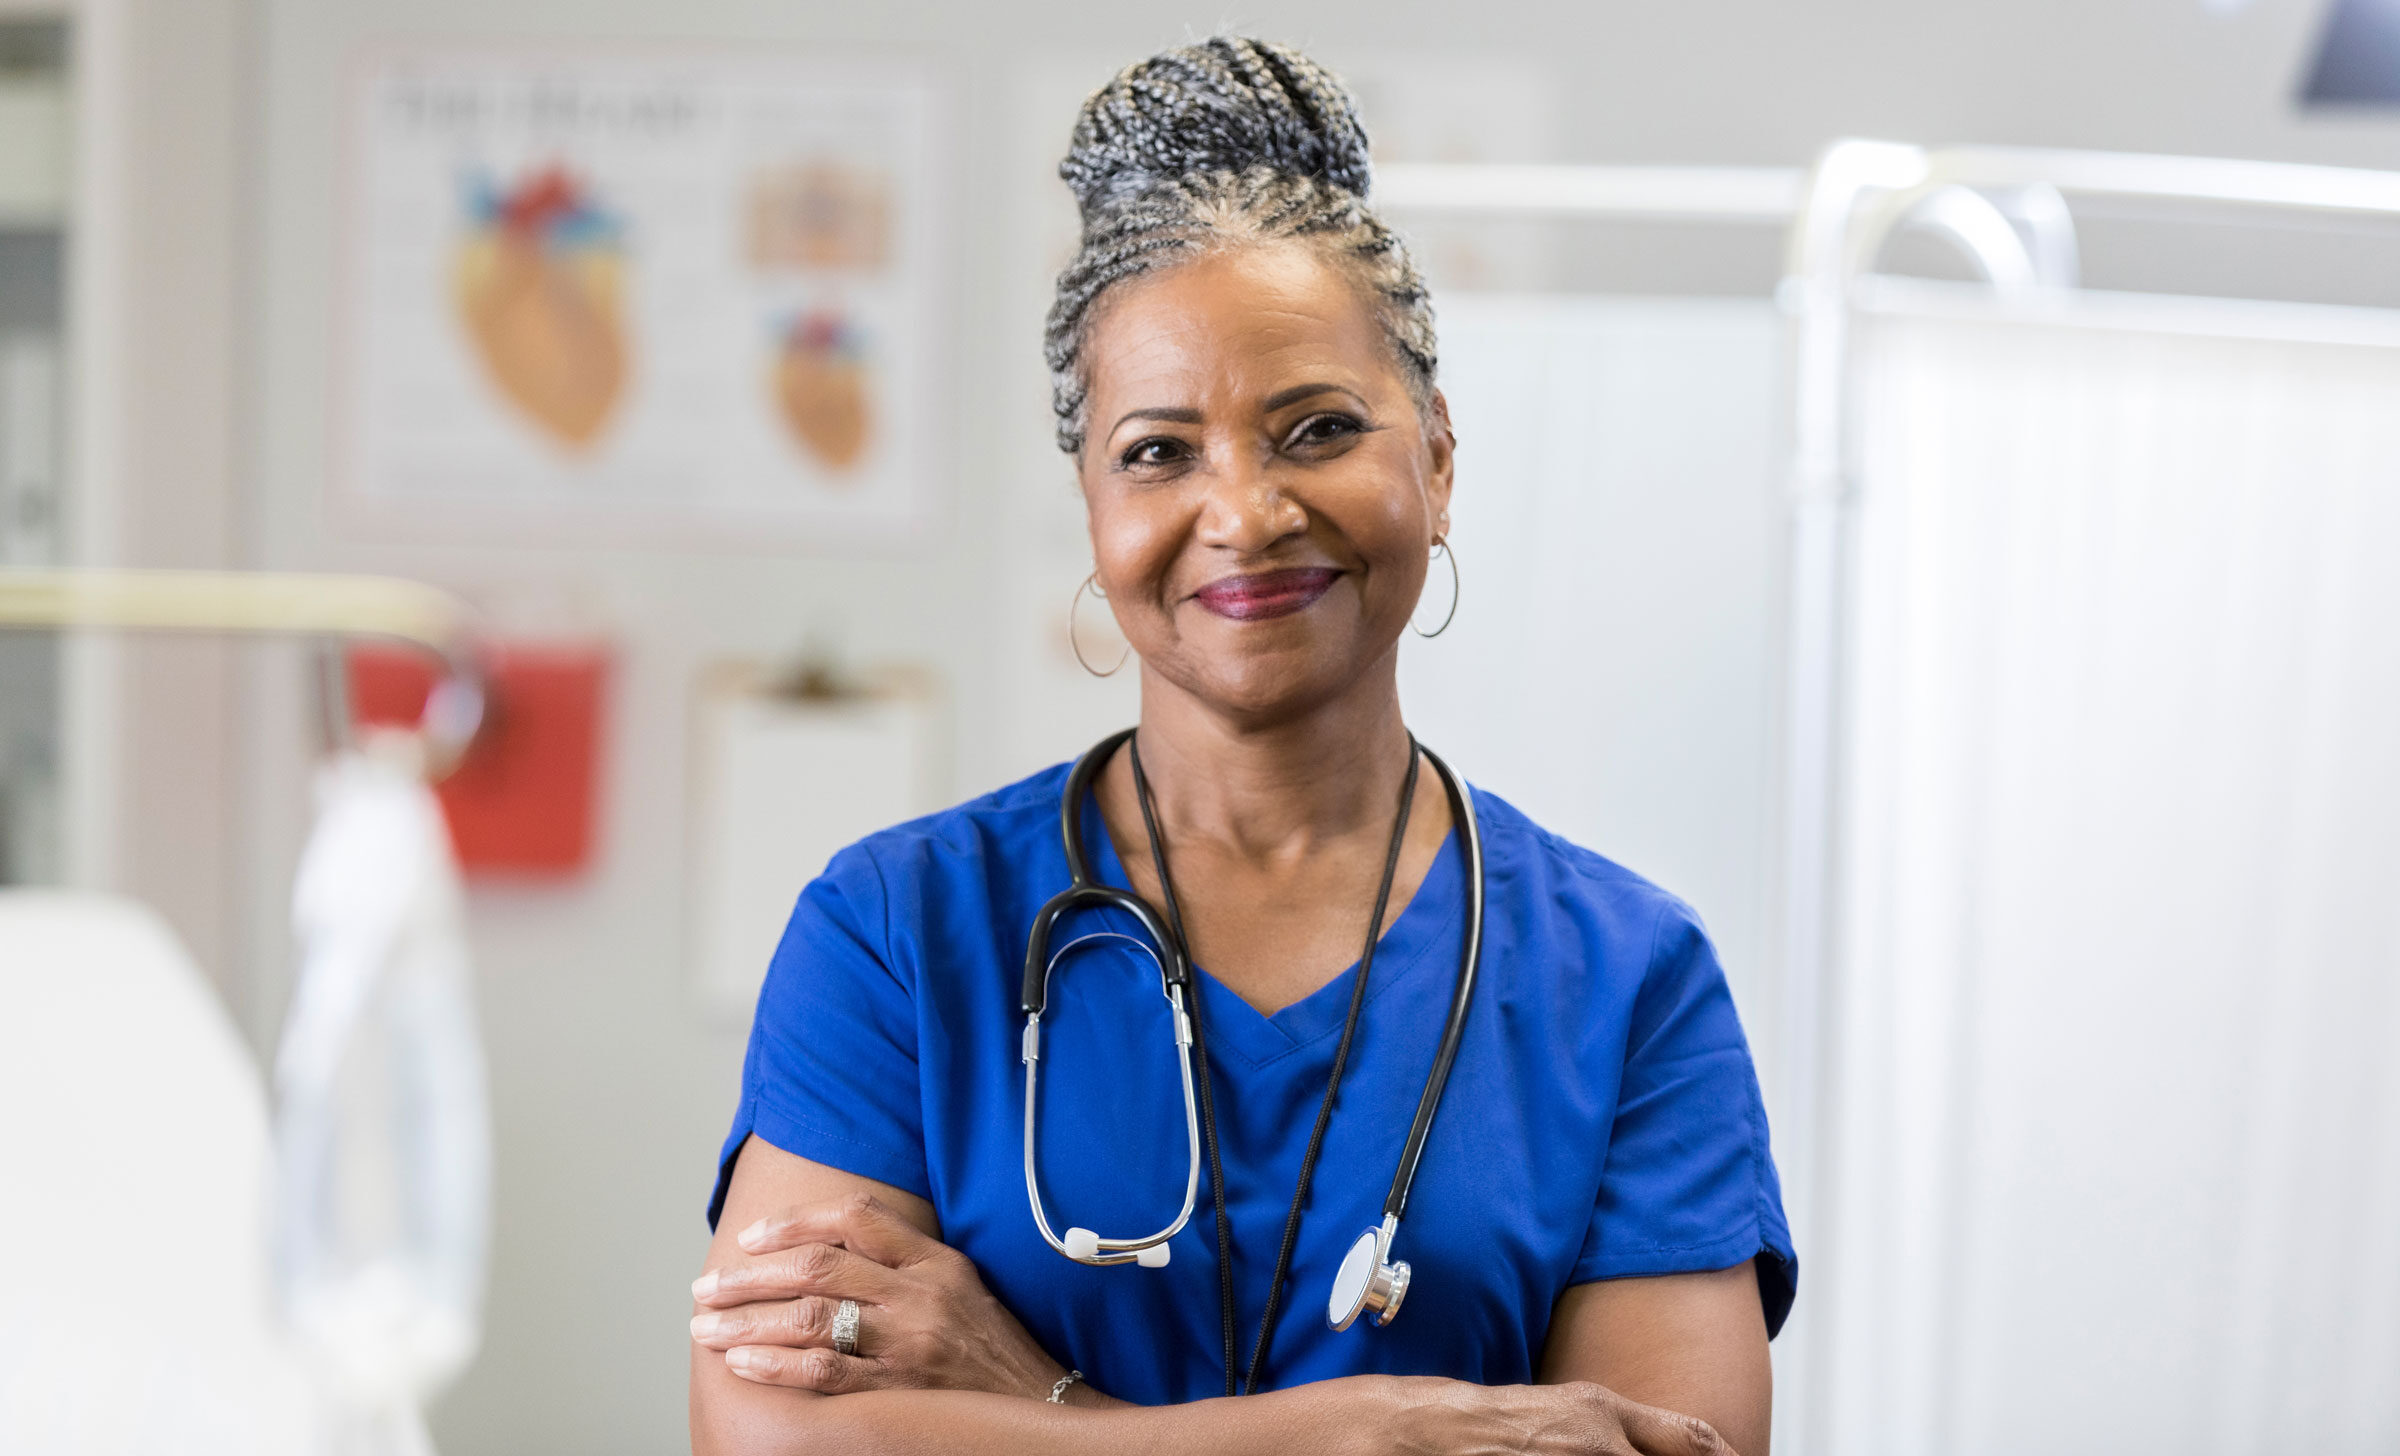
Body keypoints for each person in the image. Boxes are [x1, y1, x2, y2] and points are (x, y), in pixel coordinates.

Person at [690, 37, 1794, 1456]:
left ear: (1439, 458)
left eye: (1317, 428)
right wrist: (1361, 1433)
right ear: (1093, 504)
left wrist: (1033, 1402)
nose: (1246, 511)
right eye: (1159, 452)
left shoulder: (1626, 982)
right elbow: (770, 1443)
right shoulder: (900, 933)